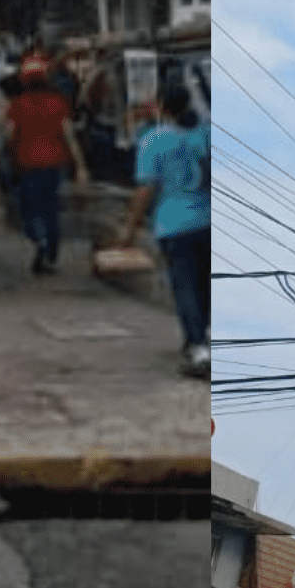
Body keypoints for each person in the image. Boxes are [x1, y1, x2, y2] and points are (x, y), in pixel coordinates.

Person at [118, 79, 210, 377]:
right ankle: (200, 338)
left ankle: (197, 348)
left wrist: (129, 229)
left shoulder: (153, 140)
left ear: (160, 107)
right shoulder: (206, 133)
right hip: (210, 221)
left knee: (185, 287)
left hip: (174, 223)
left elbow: (145, 189)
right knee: (205, 284)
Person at [3, 51, 89, 275]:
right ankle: (50, 256)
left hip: (27, 165)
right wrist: (80, 166)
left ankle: (39, 239)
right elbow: (69, 136)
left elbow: (9, 137)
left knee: (29, 210)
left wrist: (9, 157)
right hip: (54, 165)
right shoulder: (57, 102)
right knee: (50, 210)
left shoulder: (18, 105)